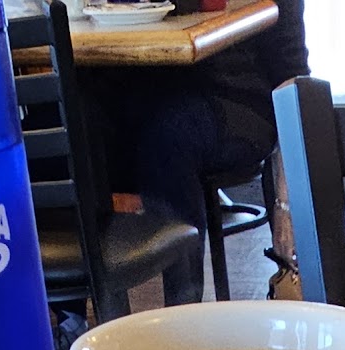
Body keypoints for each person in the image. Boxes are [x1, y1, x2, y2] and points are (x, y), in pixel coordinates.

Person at [88, 0, 308, 303]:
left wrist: (287, 204)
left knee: (167, 134)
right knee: (81, 122)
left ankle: (184, 311)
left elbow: (292, 75)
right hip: (142, 95)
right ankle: (88, 317)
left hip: (237, 101)